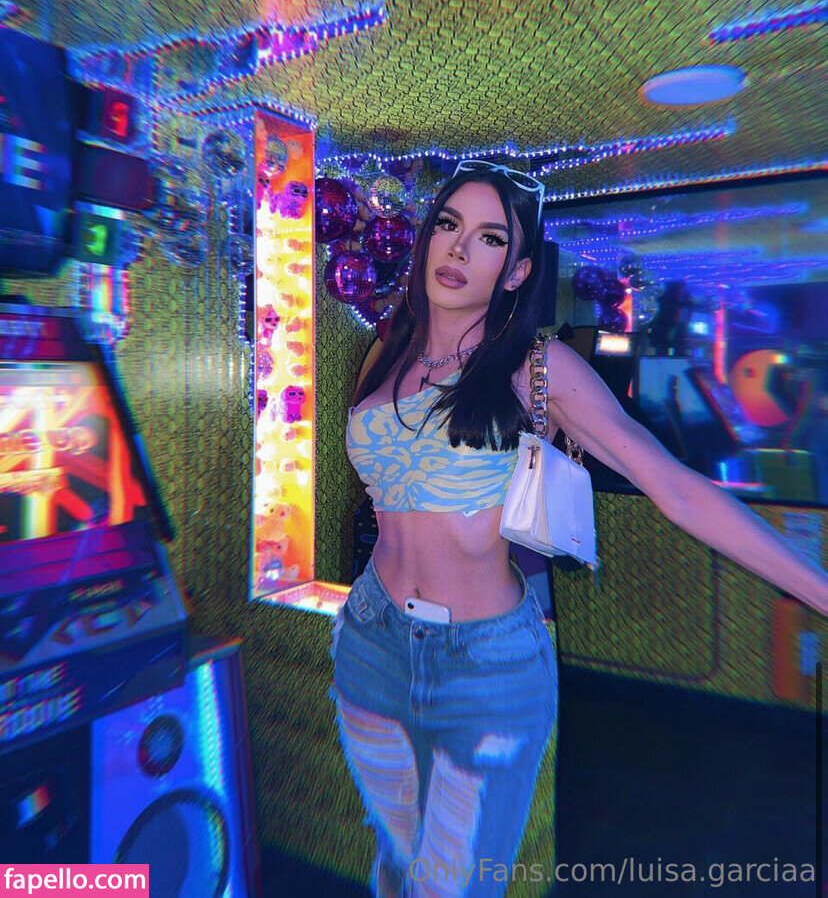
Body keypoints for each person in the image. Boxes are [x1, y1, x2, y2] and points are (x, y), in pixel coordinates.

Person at [330, 161, 828, 898]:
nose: (458, 249)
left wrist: (819, 590)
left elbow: (675, 486)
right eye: (448, 225)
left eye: (490, 238)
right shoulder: (387, 348)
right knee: (396, 862)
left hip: (483, 664)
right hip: (369, 639)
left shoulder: (538, 367)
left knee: (451, 885)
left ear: (517, 270)